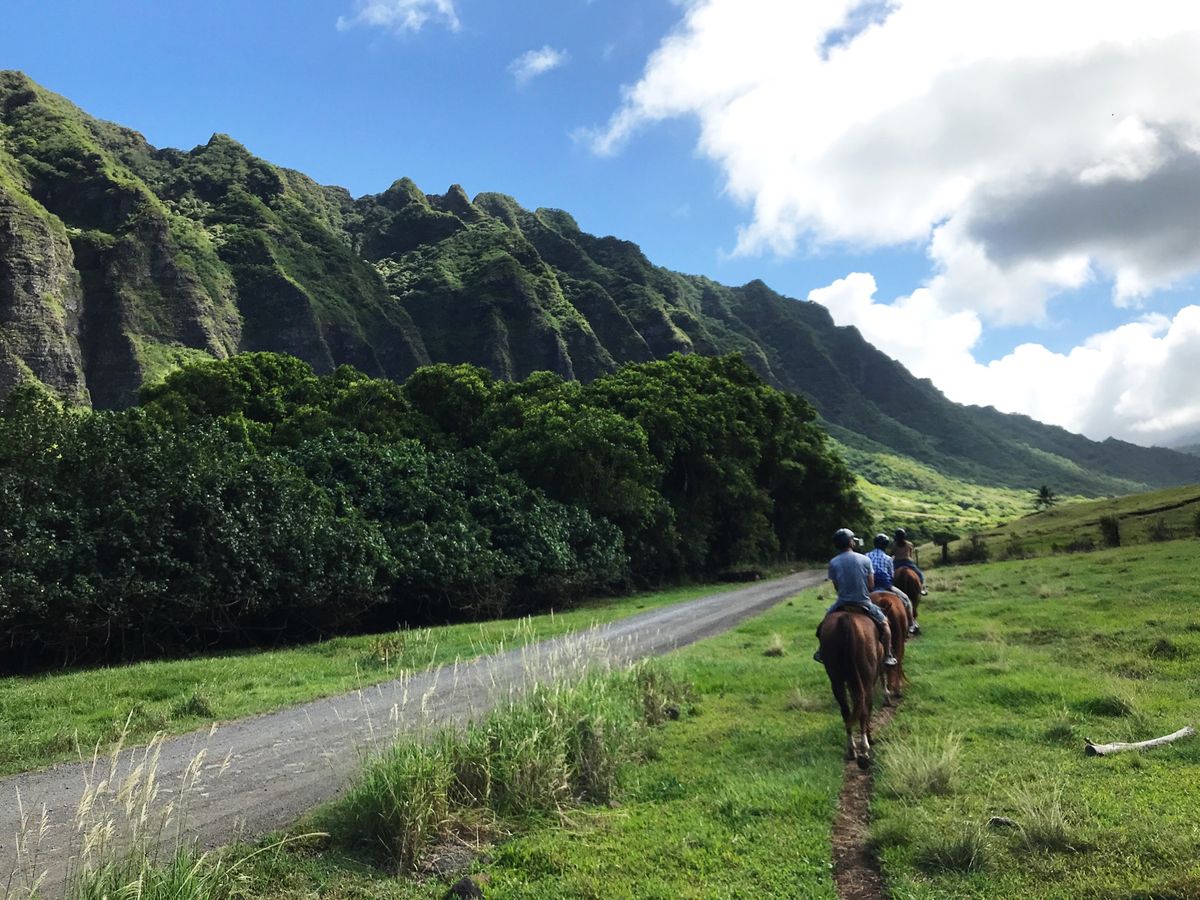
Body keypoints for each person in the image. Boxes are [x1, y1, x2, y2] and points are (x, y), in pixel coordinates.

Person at [814, 528, 898, 666]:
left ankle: (821, 651)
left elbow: (837, 587)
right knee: (885, 625)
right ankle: (888, 655)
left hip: (842, 602)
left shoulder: (833, 562)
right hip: (863, 602)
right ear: (850, 542)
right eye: (852, 539)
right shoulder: (865, 559)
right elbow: (871, 585)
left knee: (822, 626)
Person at [867, 533, 918, 634]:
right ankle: (912, 623)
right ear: (885, 545)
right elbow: (892, 575)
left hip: (870, 586)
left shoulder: (866, 556)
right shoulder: (888, 559)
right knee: (907, 600)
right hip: (886, 586)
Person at [891, 527, 928, 595]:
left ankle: (889, 588)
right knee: (920, 574)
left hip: (897, 562)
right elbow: (911, 556)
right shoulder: (909, 544)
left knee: (889, 575)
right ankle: (922, 588)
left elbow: (892, 555)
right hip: (908, 562)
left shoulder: (894, 544)